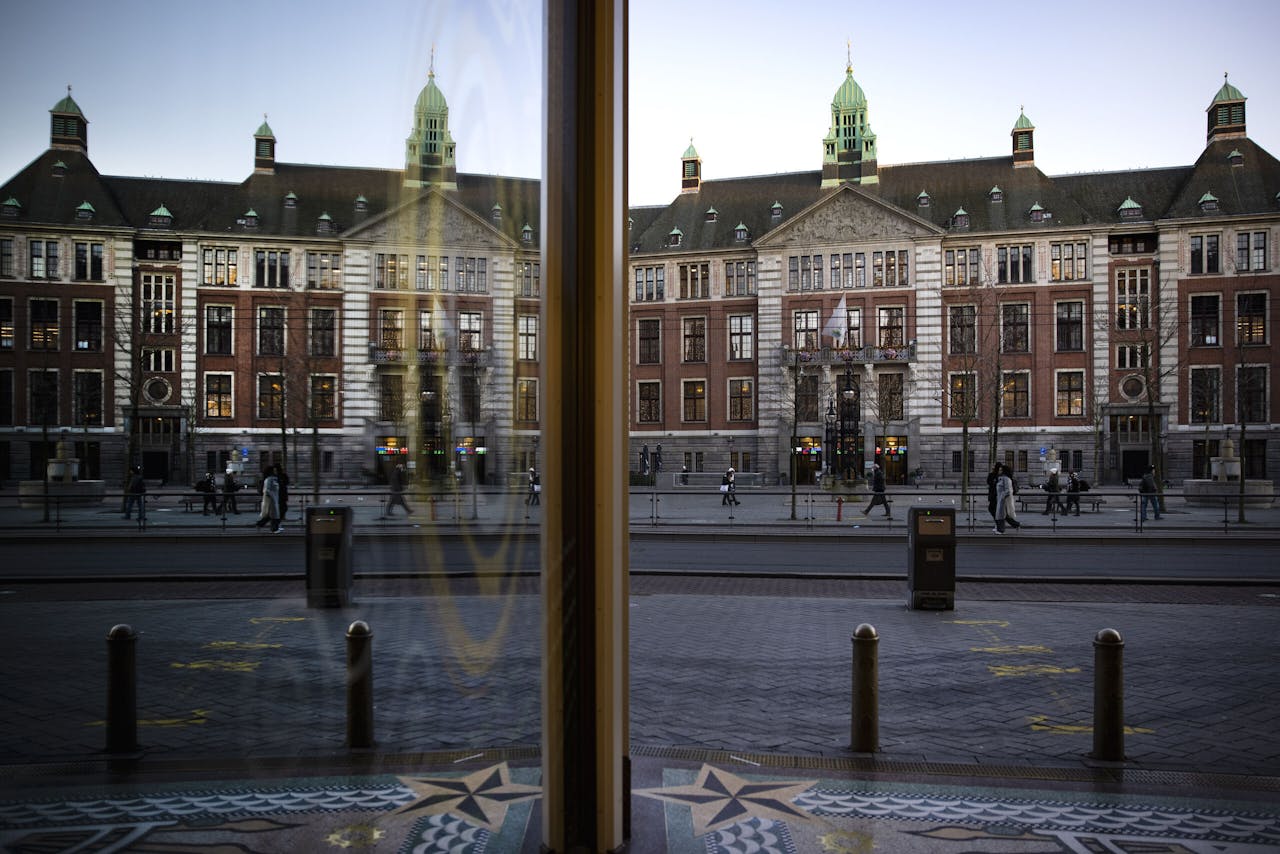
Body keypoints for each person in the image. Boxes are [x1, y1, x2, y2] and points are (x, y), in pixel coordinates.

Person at [994, 464, 1022, 533]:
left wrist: (1002, 497)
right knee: (1003, 515)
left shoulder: (1006, 479)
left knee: (1001, 515)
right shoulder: (1001, 478)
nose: (999, 471)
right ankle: (1016, 524)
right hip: (1000, 499)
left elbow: (1008, 490)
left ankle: (1001, 530)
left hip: (1005, 500)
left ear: (1004, 471)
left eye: (1001, 470)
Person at [255, 467, 282, 532]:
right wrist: (272, 497)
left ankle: (262, 525)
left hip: (274, 499)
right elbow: (267, 490)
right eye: (274, 470)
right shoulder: (270, 479)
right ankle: (274, 528)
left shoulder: (274, 479)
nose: (276, 471)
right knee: (273, 515)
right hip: (271, 500)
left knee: (271, 515)